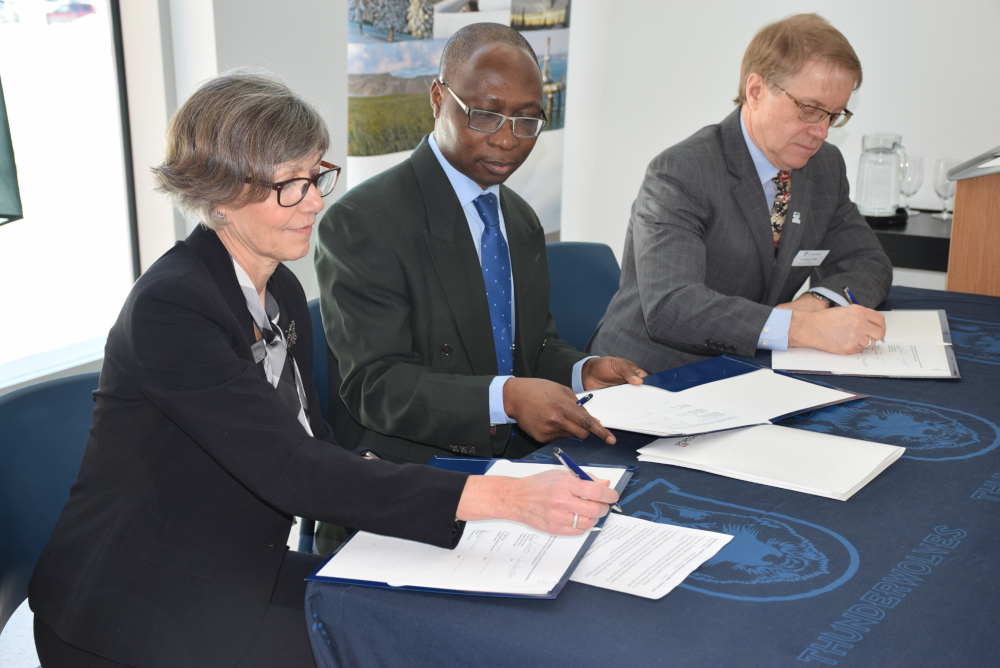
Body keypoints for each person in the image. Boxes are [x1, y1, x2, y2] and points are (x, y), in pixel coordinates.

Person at [27, 70, 619, 668]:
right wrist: (502, 498)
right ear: (218, 191)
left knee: (430, 613)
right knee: (399, 640)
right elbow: (291, 467)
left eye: (315, 177)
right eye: (290, 185)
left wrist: (450, 500)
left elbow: (313, 441)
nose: (314, 201)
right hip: (134, 607)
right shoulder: (172, 307)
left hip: (236, 567)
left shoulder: (279, 288)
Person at [315, 23, 645, 466]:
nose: (507, 140)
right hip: (410, 467)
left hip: (517, 458)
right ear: (438, 98)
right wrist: (506, 399)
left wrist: (582, 371)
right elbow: (376, 385)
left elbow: (530, 348)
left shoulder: (519, 218)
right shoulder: (363, 222)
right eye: (485, 115)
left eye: (526, 120)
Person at [588, 13, 893, 374]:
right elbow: (672, 306)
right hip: (648, 373)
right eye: (809, 110)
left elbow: (868, 262)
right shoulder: (682, 171)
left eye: (834, 115)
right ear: (756, 90)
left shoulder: (824, 166)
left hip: (749, 371)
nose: (822, 131)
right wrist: (799, 328)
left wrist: (816, 303)